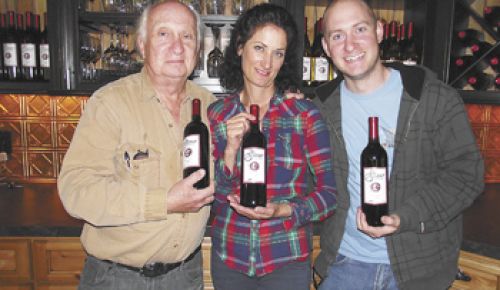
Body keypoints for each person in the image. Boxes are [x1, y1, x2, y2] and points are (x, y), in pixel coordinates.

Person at [312, 0, 485, 289]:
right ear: (326, 47)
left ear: (379, 32)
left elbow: (467, 175)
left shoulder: (434, 99)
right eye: (337, 35)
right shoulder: (318, 110)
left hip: (419, 268)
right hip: (346, 266)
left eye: (360, 29)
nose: (350, 45)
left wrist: (405, 217)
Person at [57, 2, 215, 289]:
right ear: (142, 45)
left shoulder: (211, 107)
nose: (178, 47)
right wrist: (163, 202)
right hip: (118, 278)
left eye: (187, 36)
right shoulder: (110, 104)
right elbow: (76, 191)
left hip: (186, 276)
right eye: (164, 34)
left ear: (199, 48)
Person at [207, 4, 337, 290]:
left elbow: (329, 196)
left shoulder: (304, 114)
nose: (267, 62)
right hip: (230, 260)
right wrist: (230, 151)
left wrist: (283, 210)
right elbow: (214, 202)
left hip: (286, 261)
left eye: (278, 53)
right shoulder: (217, 115)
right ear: (240, 47)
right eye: (259, 48)